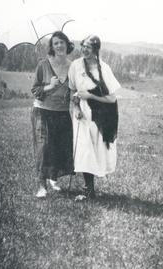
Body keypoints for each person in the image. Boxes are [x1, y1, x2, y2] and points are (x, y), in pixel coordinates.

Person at [68, 35, 121, 199]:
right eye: (83, 46)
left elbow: (112, 98)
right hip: (81, 115)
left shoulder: (103, 69)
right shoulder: (76, 66)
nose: (84, 50)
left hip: (99, 115)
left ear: (96, 50)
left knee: (95, 150)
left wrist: (91, 97)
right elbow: (72, 90)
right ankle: (88, 189)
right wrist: (75, 107)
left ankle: (90, 189)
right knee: (84, 150)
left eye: (88, 47)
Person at [31, 31, 75, 198]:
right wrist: (49, 87)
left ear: (67, 44)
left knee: (58, 147)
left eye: (62, 42)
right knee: (44, 147)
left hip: (62, 112)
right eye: (55, 43)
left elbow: (74, 88)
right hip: (43, 111)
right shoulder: (43, 65)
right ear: (52, 47)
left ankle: (53, 179)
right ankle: (42, 186)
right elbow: (35, 90)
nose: (59, 46)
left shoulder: (72, 66)